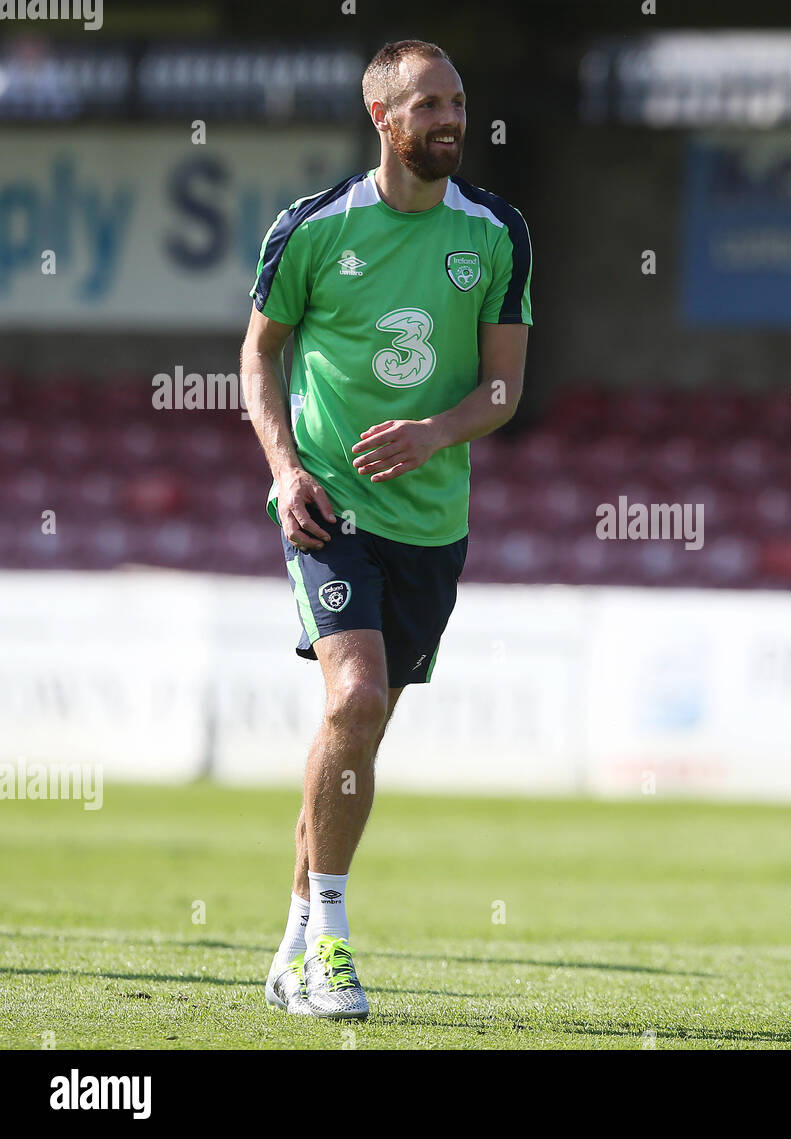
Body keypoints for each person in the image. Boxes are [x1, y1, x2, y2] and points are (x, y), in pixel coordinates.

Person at [239, 38, 532, 1019]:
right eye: (430, 106)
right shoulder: (315, 228)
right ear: (383, 118)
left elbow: (503, 387)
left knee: (353, 733)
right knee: (354, 695)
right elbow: (259, 355)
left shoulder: (496, 232)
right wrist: (285, 474)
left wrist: (434, 431)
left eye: (457, 102)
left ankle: (287, 949)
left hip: (432, 520)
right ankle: (331, 944)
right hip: (329, 505)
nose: (451, 120)